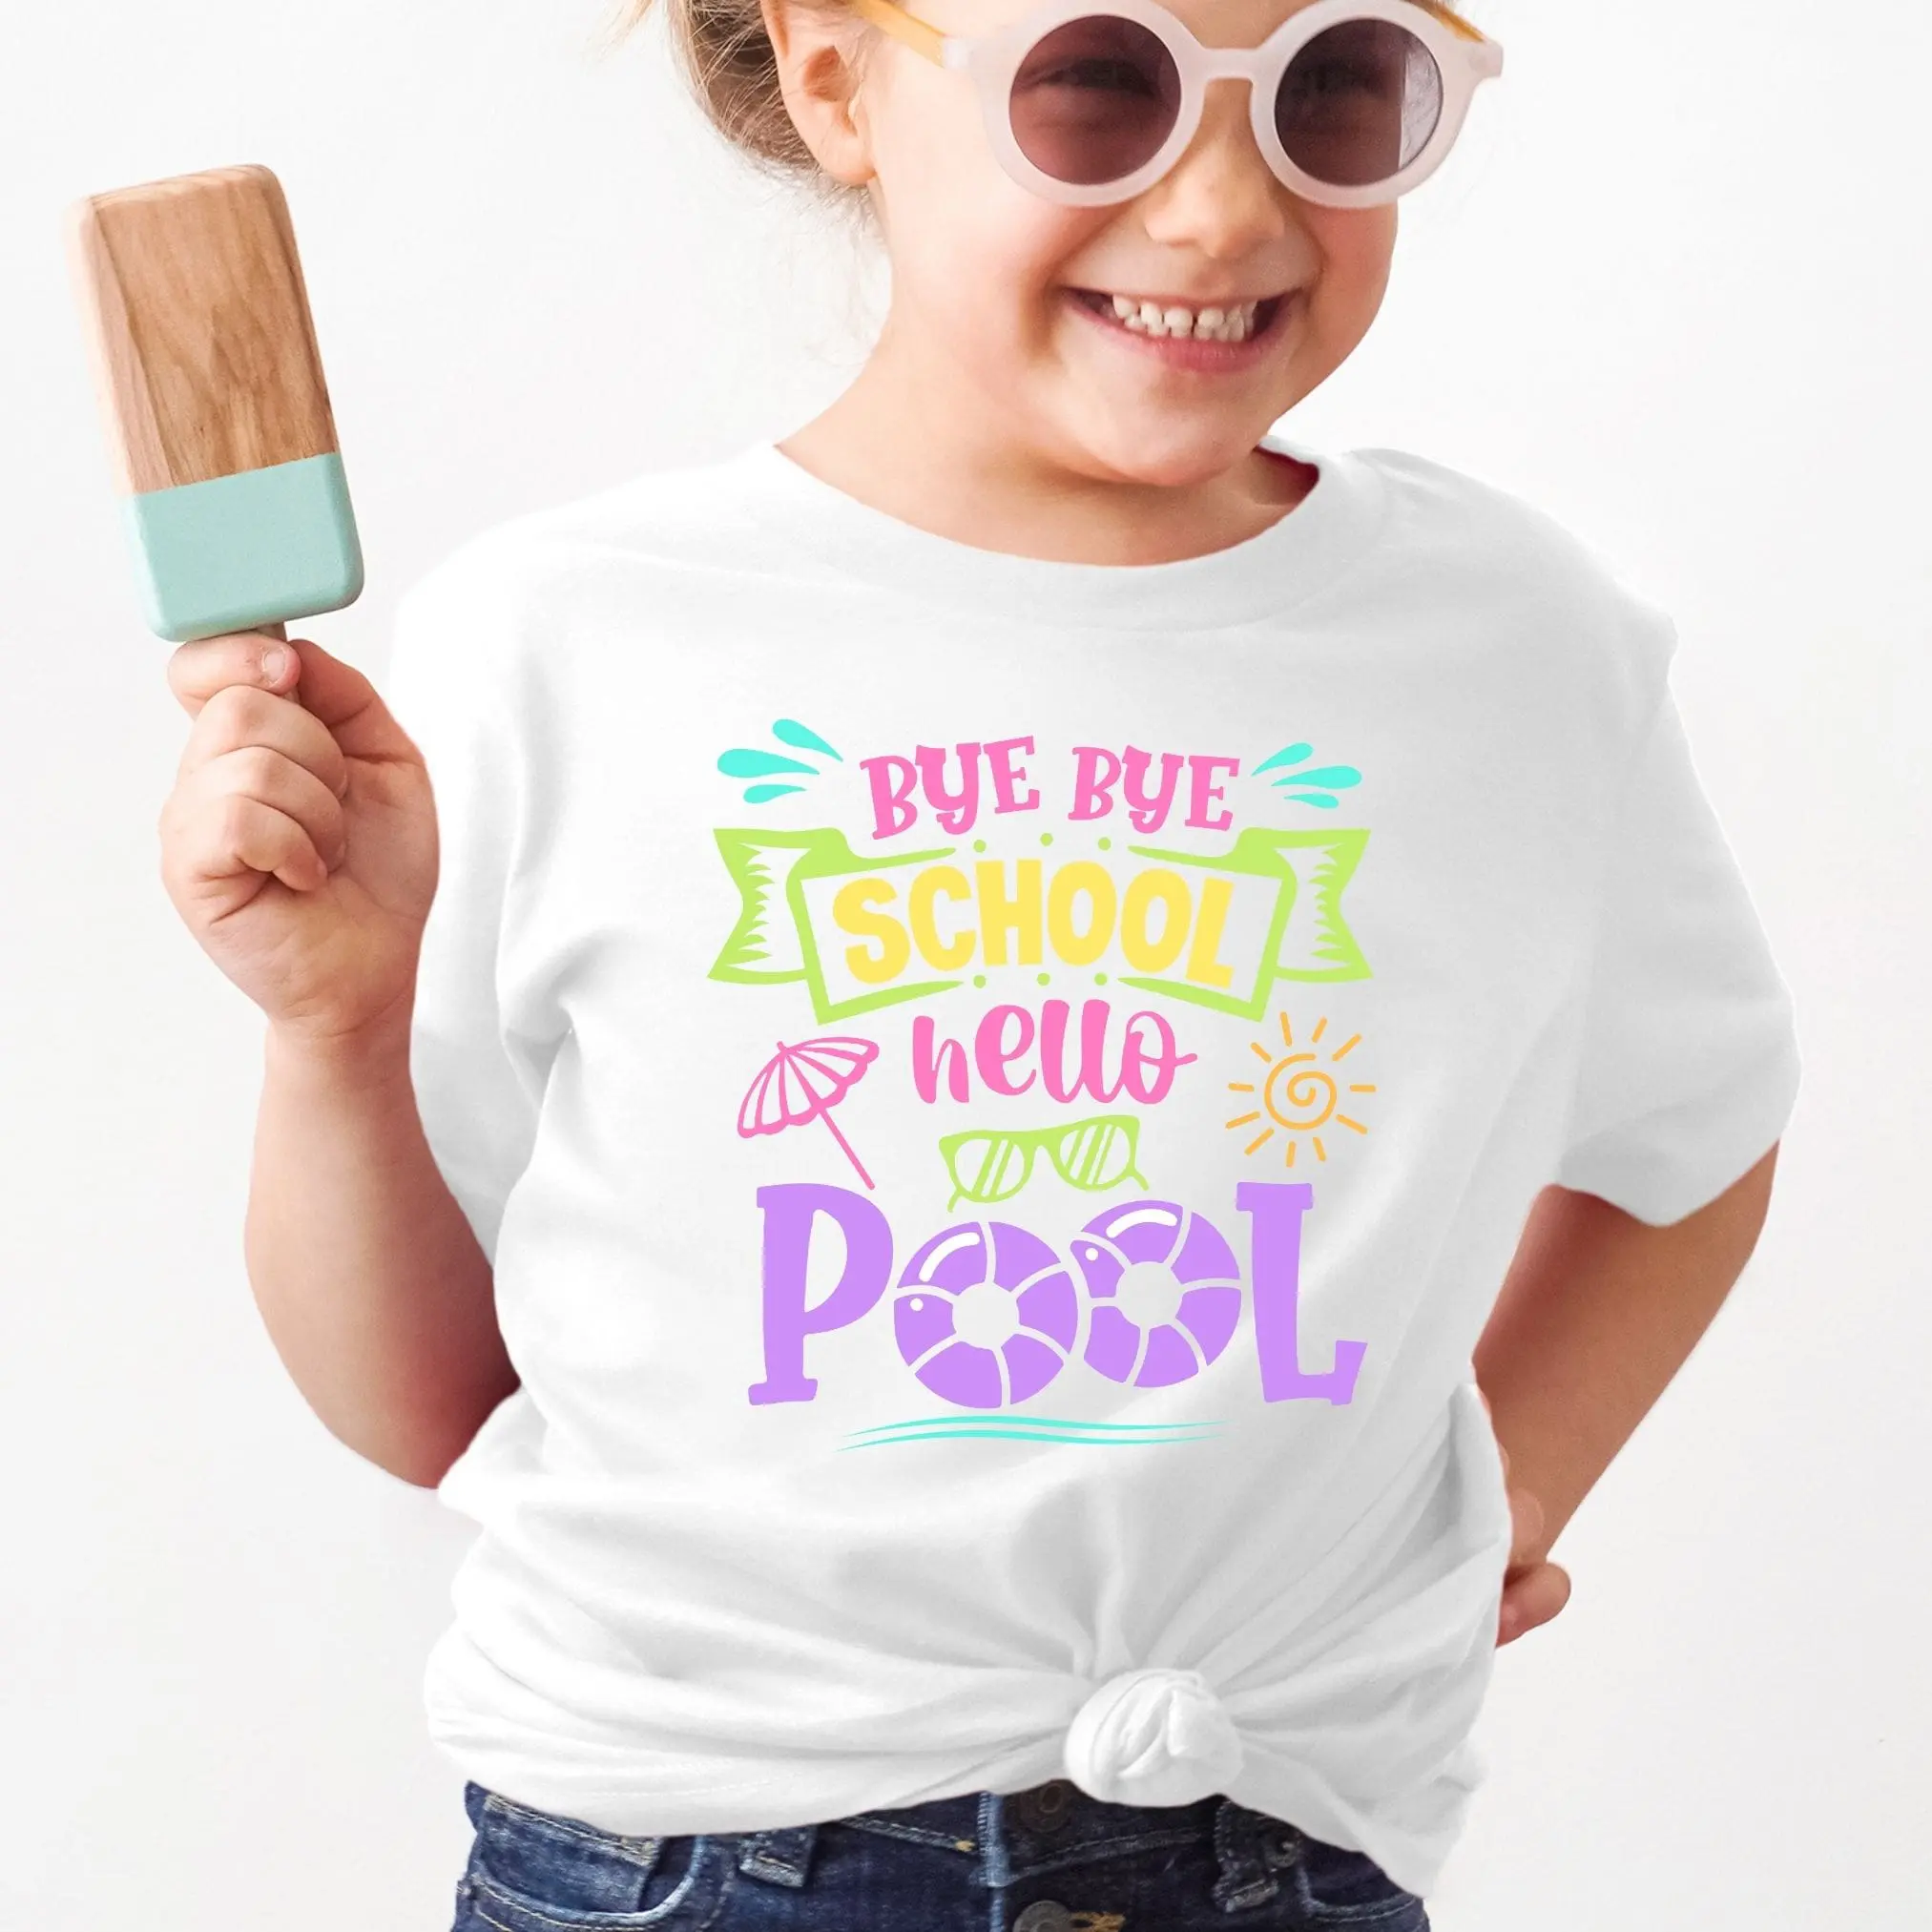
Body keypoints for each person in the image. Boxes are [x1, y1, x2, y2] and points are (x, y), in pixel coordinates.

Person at [156, 0, 1802, 1925]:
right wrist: (333, 1029)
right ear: (834, 75)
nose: (1221, 210)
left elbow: (1694, 1134)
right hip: (689, 1860)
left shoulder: (1514, 646)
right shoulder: (564, 645)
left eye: (1333, 86)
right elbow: (427, 1404)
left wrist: (1502, 1495)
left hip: (1274, 1843)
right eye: (1097, 82)